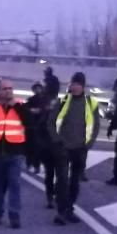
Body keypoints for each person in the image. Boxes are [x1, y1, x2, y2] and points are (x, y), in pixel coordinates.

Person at [47, 72, 100, 225]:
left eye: (78, 84)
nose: (75, 86)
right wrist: (57, 141)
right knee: (62, 180)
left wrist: (88, 145)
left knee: (75, 182)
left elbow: (95, 126)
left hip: (81, 148)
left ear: (83, 86)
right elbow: (50, 122)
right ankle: (61, 211)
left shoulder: (91, 103)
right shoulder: (63, 101)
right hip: (63, 148)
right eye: (73, 83)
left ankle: (69, 208)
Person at [0, 80, 29, 228]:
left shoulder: (20, 106)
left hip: (15, 152)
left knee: (15, 184)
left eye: (10, 88)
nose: (8, 91)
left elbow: (30, 122)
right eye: (5, 89)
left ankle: (14, 215)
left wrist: (15, 106)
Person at [25, 83, 55, 208]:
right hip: (32, 127)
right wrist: (31, 111)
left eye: (39, 88)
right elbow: (25, 111)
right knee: (30, 148)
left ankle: (36, 165)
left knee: (37, 149)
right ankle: (30, 163)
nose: (37, 90)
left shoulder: (46, 101)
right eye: (35, 88)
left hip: (50, 141)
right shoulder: (31, 100)